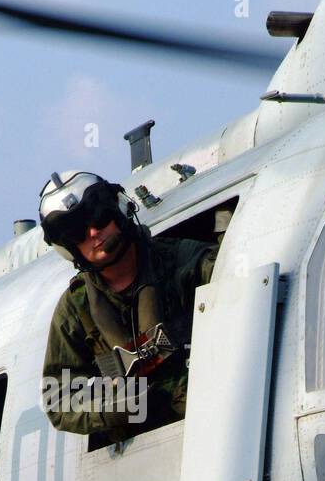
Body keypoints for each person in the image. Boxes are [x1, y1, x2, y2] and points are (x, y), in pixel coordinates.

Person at [38, 171, 218, 441]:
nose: (93, 232)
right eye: (77, 232)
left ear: (119, 208)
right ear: (68, 249)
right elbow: (58, 398)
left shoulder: (185, 263)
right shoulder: (76, 309)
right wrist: (118, 405)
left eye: (99, 216)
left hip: (208, 419)